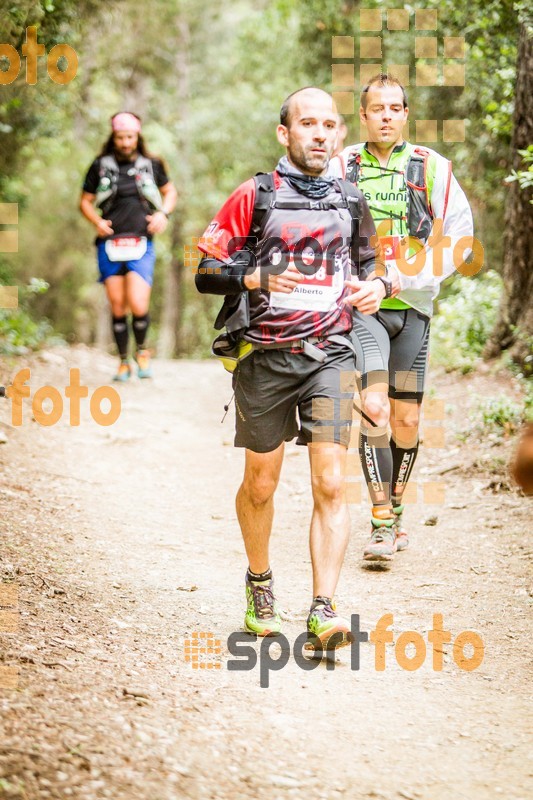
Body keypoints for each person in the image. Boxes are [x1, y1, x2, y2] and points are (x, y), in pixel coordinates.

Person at [196, 87, 387, 649]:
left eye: (329, 124)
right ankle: (260, 584)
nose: (320, 134)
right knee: (261, 483)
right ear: (285, 132)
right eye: (308, 123)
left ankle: (324, 609)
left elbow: (372, 265)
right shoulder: (254, 195)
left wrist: (373, 287)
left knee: (331, 480)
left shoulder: (350, 199)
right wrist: (251, 277)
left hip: (330, 355)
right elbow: (206, 268)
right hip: (264, 360)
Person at [329, 74, 474, 564]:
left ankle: (396, 508)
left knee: (407, 420)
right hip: (361, 309)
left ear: (406, 115)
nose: (386, 115)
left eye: (395, 107)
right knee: (374, 407)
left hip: (412, 307)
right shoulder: (341, 165)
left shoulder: (432, 167)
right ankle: (381, 523)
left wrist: (402, 279)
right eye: (377, 108)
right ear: (363, 115)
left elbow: (460, 239)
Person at [80, 112, 177, 381]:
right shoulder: (100, 165)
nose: (125, 142)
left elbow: (170, 192)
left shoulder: (151, 164)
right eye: (121, 137)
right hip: (109, 242)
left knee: (138, 302)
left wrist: (162, 215)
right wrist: (97, 222)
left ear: (138, 137)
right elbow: (85, 201)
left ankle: (142, 352)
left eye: (130, 137)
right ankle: (123, 362)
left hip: (141, 241)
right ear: (113, 137)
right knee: (118, 305)